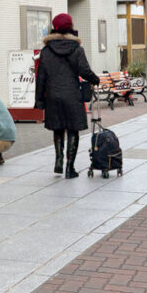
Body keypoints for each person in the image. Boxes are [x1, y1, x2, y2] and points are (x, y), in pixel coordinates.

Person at [35, 13, 100, 178]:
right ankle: (70, 168)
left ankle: (58, 160)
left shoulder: (46, 51)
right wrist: (95, 79)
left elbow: (40, 77)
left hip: (52, 95)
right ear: (71, 28)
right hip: (72, 95)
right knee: (73, 130)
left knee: (58, 128)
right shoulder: (77, 49)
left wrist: (39, 100)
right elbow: (84, 71)